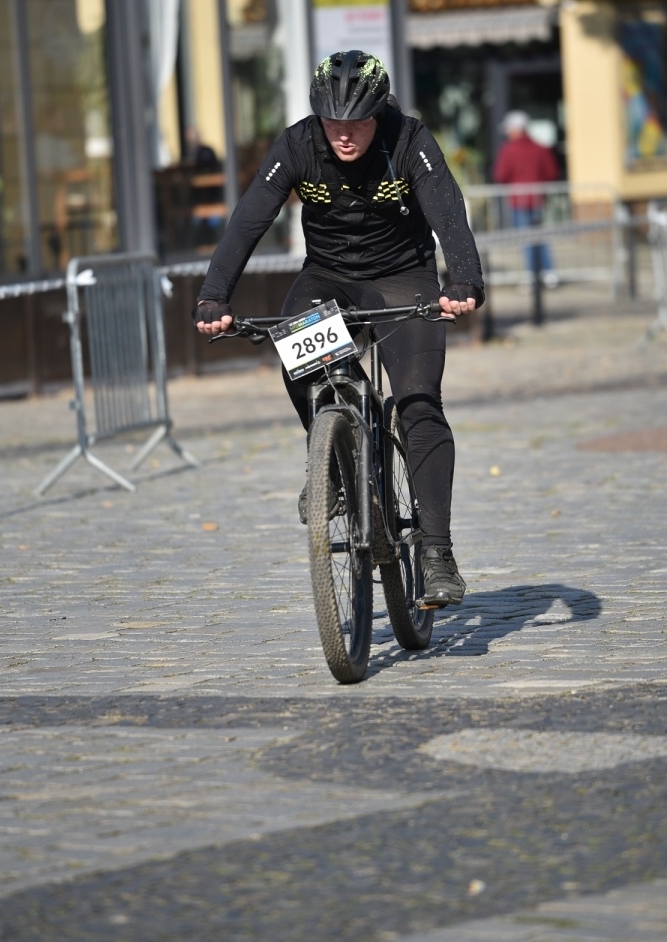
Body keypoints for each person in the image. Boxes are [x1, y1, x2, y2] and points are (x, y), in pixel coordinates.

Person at [193, 50, 485, 608]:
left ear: (379, 114)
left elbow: (449, 210)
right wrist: (214, 294)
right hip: (327, 276)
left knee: (419, 404)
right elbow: (250, 218)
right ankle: (334, 454)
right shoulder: (298, 144)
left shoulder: (409, 141)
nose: (343, 135)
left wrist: (464, 280)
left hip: (404, 279)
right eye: (333, 123)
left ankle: (437, 552)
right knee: (298, 354)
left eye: (355, 123)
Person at [493, 110, 560, 286]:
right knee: (540, 237)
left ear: (515, 130)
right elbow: (551, 172)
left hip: (518, 200)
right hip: (537, 199)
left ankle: (531, 275)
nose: (508, 133)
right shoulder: (540, 148)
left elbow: (501, 174)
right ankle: (549, 273)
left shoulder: (509, 150)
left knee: (526, 239)